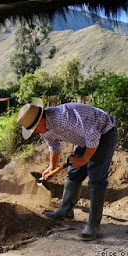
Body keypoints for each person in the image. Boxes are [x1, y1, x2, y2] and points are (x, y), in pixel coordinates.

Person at [17, 98, 117, 240]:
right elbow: (54, 146)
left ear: (40, 121)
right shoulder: (44, 127)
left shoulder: (64, 117)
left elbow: (93, 135)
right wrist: (52, 167)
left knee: (96, 177)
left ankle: (94, 225)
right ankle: (66, 211)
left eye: (33, 129)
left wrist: (84, 159)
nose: (33, 133)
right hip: (86, 138)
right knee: (74, 172)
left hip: (104, 133)